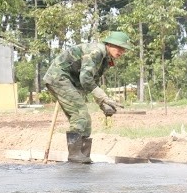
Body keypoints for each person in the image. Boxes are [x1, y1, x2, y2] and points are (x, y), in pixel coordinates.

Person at [43, 31, 133, 164]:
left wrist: (103, 104)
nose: (121, 51)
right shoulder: (96, 52)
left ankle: (83, 156)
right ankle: (75, 156)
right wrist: (103, 98)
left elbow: (91, 82)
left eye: (123, 49)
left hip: (72, 81)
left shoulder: (106, 60)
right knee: (80, 115)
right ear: (109, 44)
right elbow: (85, 79)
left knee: (85, 121)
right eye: (119, 47)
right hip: (59, 78)